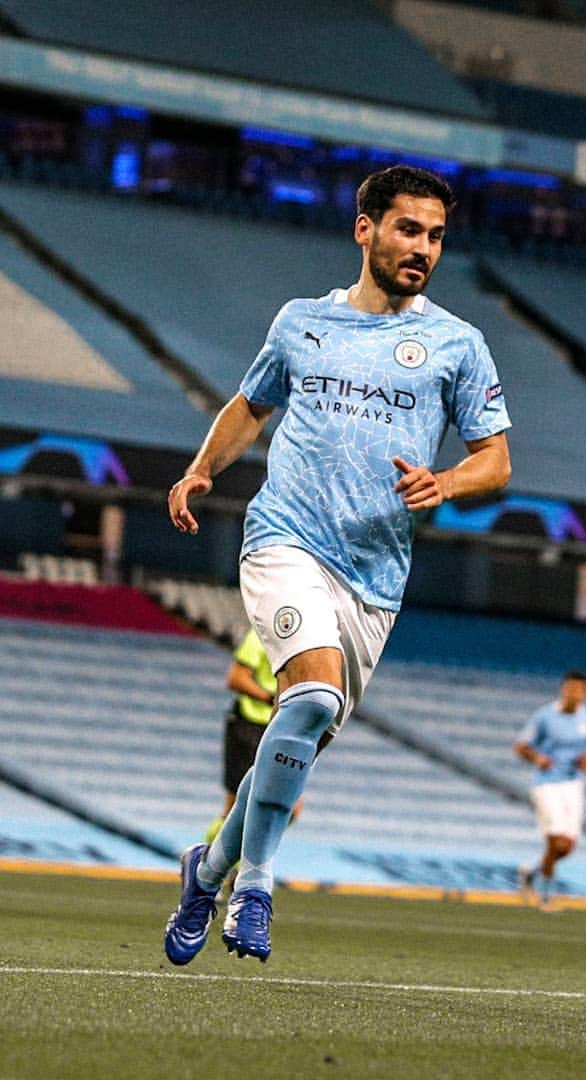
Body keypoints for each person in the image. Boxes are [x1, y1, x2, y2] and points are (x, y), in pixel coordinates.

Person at [164, 165, 512, 965]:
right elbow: (252, 403)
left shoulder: (457, 345)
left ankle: (205, 868)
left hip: (375, 573)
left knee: (304, 726)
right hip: (285, 537)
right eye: (407, 229)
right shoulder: (300, 323)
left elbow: (494, 460)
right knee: (312, 693)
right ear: (365, 229)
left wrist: (448, 480)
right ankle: (255, 882)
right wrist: (201, 470)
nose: (422, 248)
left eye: (434, 236)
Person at [203, 627, 302, 865]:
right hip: (249, 725)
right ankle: (206, 863)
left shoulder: (304, 639)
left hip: (279, 729)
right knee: (234, 807)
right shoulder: (262, 634)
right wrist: (270, 698)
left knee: (291, 807)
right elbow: (236, 678)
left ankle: (229, 862)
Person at [513, 671, 586, 911]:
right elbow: (521, 746)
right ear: (563, 689)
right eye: (571, 688)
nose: (575, 693)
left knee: (567, 847)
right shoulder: (545, 716)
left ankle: (530, 871)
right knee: (556, 841)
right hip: (547, 783)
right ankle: (545, 897)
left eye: (580, 689)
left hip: (573, 784)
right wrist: (537, 758)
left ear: (585, 693)